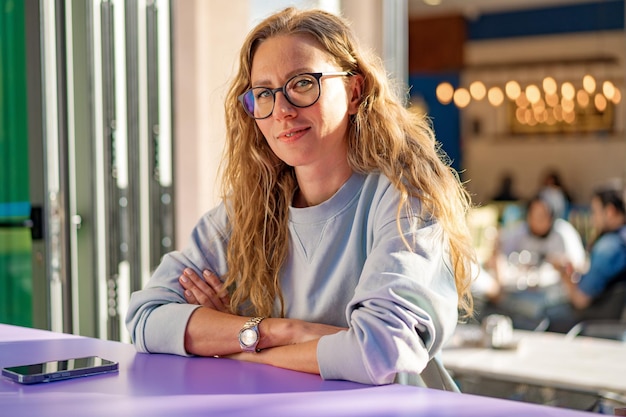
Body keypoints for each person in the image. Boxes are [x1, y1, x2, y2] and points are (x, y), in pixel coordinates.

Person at [125, 7, 476, 387]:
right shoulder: (247, 211)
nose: (282, 110)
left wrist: (234, 344)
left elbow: (380, 352)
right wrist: (277, 331)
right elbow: (145, 318)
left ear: (355, 91)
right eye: (264, 94)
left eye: (303, 83)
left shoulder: (404, 200)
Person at [482, 196, 586, 329]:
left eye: (542, 216)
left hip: (554, 297)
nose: (537, 220)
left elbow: (579, 266)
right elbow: (499, 255)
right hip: (521, 292)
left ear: (551, 217)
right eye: (533, 215)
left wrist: (562, 266)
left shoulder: (563, 233)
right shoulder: (520, 231)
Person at [549, 187, 626, 331]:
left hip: (595, 321)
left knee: (546, 315)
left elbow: (580, 300)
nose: (592, 219)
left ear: (609, 211)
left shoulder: (609, 246)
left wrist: (564, 274)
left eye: (594, 212)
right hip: (613, 320)